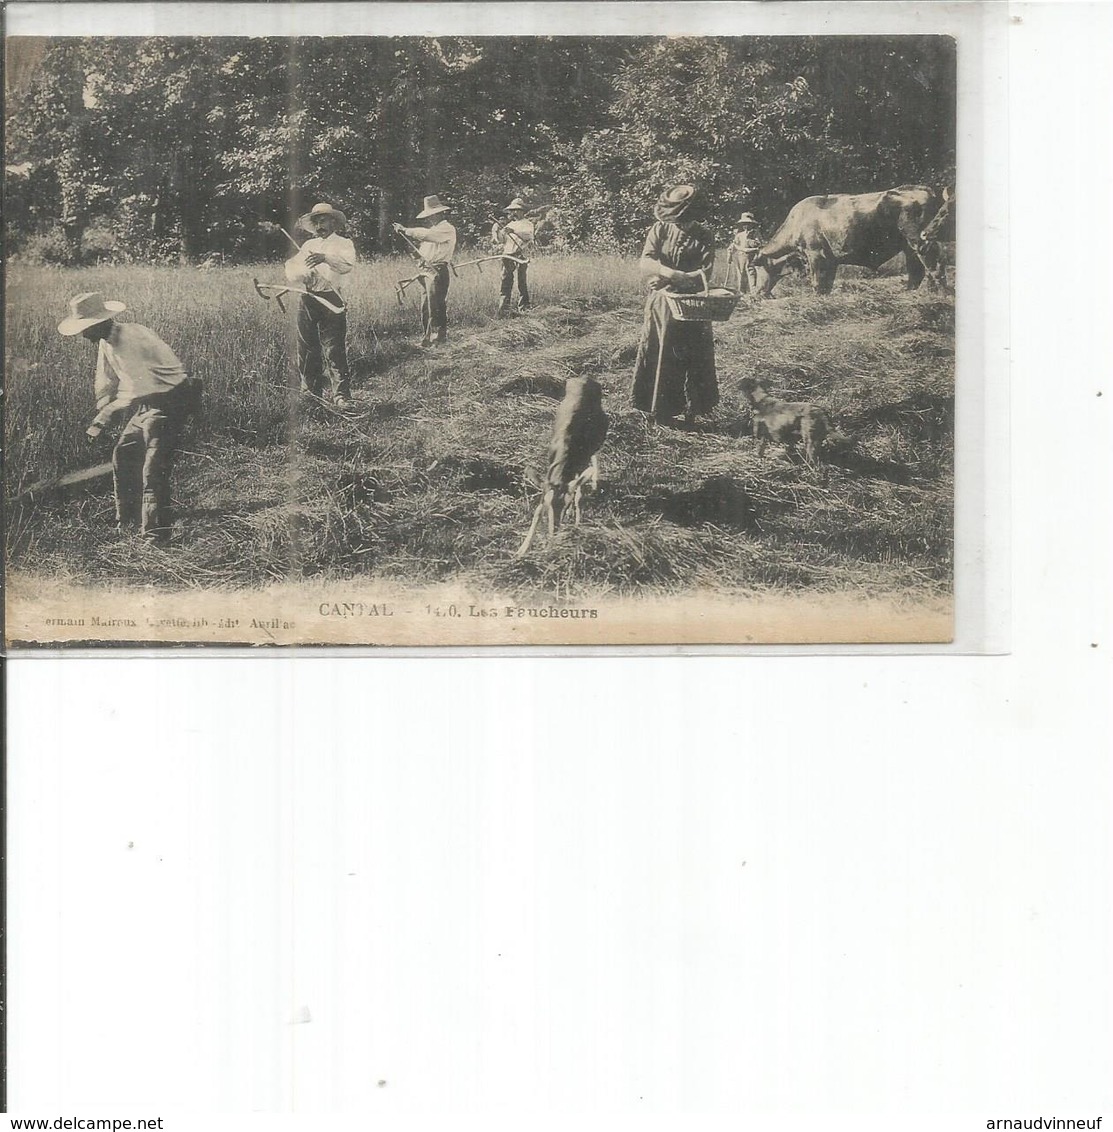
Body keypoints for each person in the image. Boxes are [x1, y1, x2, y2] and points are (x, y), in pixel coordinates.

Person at [58, 292, 201, 544]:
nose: (83, 335)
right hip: (147, 403)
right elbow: (104, 377)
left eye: (85, 329)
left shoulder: (130, 338)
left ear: (99, 323)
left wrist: (103, 418)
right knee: (123, 454)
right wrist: (103, 402)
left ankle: (156, 536)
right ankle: (127, 520)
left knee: (153, 470)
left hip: (170, 402)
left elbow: (134, 391)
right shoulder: (106, 340)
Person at [630, 184, 719, 425]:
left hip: (694, 304)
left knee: (693, 354)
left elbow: (705, 272)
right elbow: (646, 261)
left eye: (687, 220)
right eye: (678, 220)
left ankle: (693, 409)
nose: (682, 224)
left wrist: (683, 278)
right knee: (662, 350)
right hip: (663, 303)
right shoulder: (660, 229)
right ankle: (659, 409)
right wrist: (666, 272)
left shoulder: (705, 235)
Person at [285, 201, 356, 408]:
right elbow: (291, 268)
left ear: (334, 222)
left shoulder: (344, 244)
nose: (319, 225)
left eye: (323, 220)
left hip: (332, 299)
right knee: (306, 347)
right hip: (308, 298)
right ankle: (311, 392)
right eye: (315, 221)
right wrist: (303, 274)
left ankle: (341, 395)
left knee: (333, 348)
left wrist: (325, 258)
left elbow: (346, 266)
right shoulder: (308, 246)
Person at [394, 195, 457, 346]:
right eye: (429, 216)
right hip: (426, 271)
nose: (430, 218)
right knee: (426, 306)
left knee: (435, 304)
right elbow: (424, 253)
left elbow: (429, 236)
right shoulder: (433, 230)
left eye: (433, 215)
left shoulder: (446, 229)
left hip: (437, 270)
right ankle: (427, 337)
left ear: (441, 214)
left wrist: (406, 230)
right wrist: (416, 255)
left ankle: (439, 337)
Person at [490, 197, 534, 316]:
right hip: (508, 254)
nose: (514, 212)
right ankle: (504, 309)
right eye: (513, 210)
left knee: (521, 281)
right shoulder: (510, 224)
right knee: (505, 281)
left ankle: (524, 307)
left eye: (517, 210)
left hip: (521, 254)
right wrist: (497, 232)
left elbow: (528, 236)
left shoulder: (527, 224)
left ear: (522, 211)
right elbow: (501, 240)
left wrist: (514, 232)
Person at [730, 211, 763, 294]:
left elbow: (759, 245)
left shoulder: (755, 234)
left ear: (752, 225)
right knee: (741, 274)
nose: (746, 226)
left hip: (752, 256)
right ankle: (742, 293)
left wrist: (752, 249)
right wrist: (736, 250)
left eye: (748, 224)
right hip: (741, 256)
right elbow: (734, 245)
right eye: (744, 224)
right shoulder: (739, 235)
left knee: (751, 273)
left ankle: (753, 292)